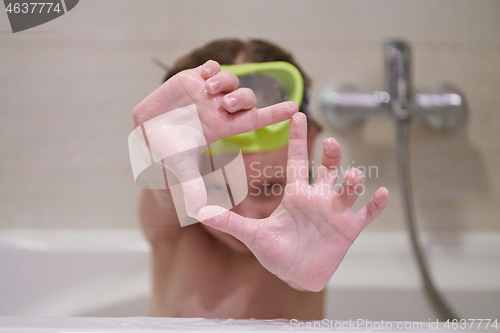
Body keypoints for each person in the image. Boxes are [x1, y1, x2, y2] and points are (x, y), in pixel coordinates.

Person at [131, 38, 389, 320]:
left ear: (307, 144)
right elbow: (161, 188)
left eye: (270, 187)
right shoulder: (175, 228)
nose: (247, 215)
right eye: (218, 189)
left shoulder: (310, 234)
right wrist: (158, 152)